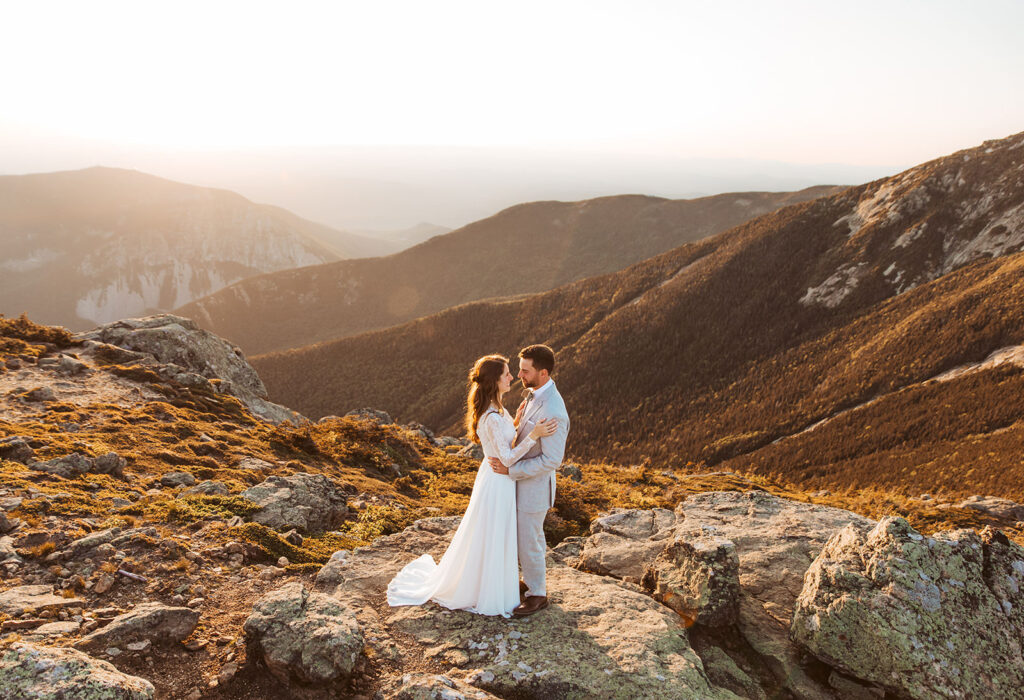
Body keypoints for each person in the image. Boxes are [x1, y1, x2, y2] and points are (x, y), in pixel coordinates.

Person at [386, 354, 557, 617]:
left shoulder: (499, 408)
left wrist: (517, 422)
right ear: (494, 381)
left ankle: (497, 579)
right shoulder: (490, 416)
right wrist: (533, 434)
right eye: (506, 374)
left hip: (501, 479)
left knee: (496, 533)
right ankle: (488, 586)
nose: (512, 377)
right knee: (493, 533)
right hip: (498, 481)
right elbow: (508, 457)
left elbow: (503, 440)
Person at [489, 344, 570, 617]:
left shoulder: (554, 410)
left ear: (543, 373)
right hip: (519, 486)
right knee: (523, 538)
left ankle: (538, 594)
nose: (519, 375)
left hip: (534, 489)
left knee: (529, 541)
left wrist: (510, 471)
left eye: (525, 371)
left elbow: (551, 461)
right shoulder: (535, 395)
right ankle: (528, 581)